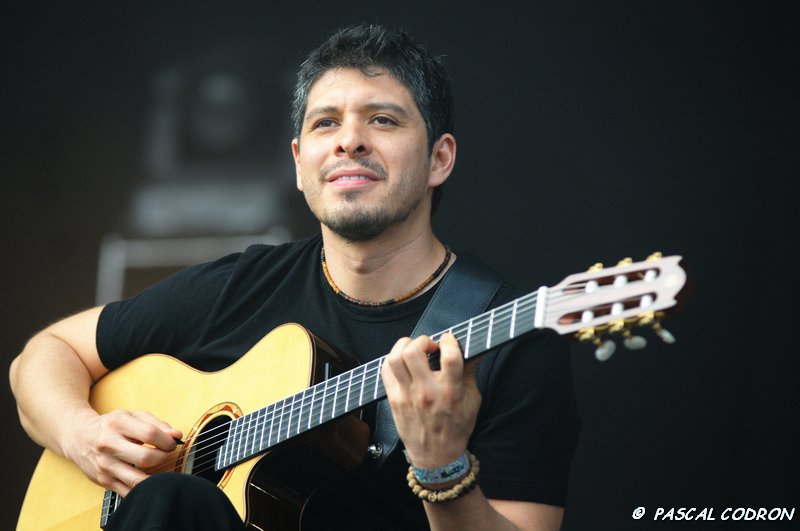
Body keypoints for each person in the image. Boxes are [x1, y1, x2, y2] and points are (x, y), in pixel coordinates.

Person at [10, 24, 579, 530]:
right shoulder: (245, 284)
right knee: (173, 501)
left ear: (439, 159)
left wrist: (441, 467)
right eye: (325, 122)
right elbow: (45, 352)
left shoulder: (514, 337)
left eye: (382, 120)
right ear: (300, 164)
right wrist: (83, 436)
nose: (349, 140)